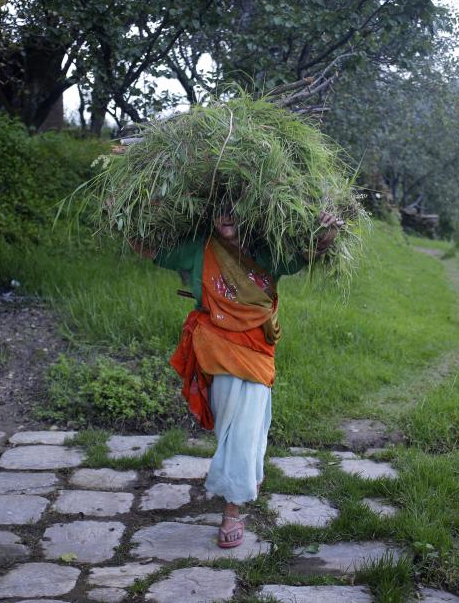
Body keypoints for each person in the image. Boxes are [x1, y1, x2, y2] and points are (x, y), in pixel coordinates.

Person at [130, 203, 342, 548]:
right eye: (219, 208)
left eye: (235, 209)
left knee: (247, 424)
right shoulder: (199, 248)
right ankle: (246, 475)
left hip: (256, 348)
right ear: (209, 211)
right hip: (214, 349)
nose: (226, 215)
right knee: (231, 424)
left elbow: (309, 253)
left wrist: (326, 230)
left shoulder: (266, 249)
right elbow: (148, 249)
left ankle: (232, 508)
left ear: (253, 210)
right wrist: (122, 211)